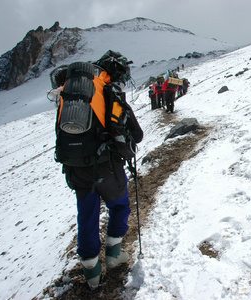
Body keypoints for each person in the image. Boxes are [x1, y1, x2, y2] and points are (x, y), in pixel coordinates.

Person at [51, 56, 144, 289]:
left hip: (75, 167)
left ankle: (92, 274)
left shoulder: (71, 92)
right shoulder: (108, 91)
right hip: (105, 165)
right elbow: (137, 133)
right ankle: (113, 255)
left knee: (87, 215)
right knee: (120, 204)